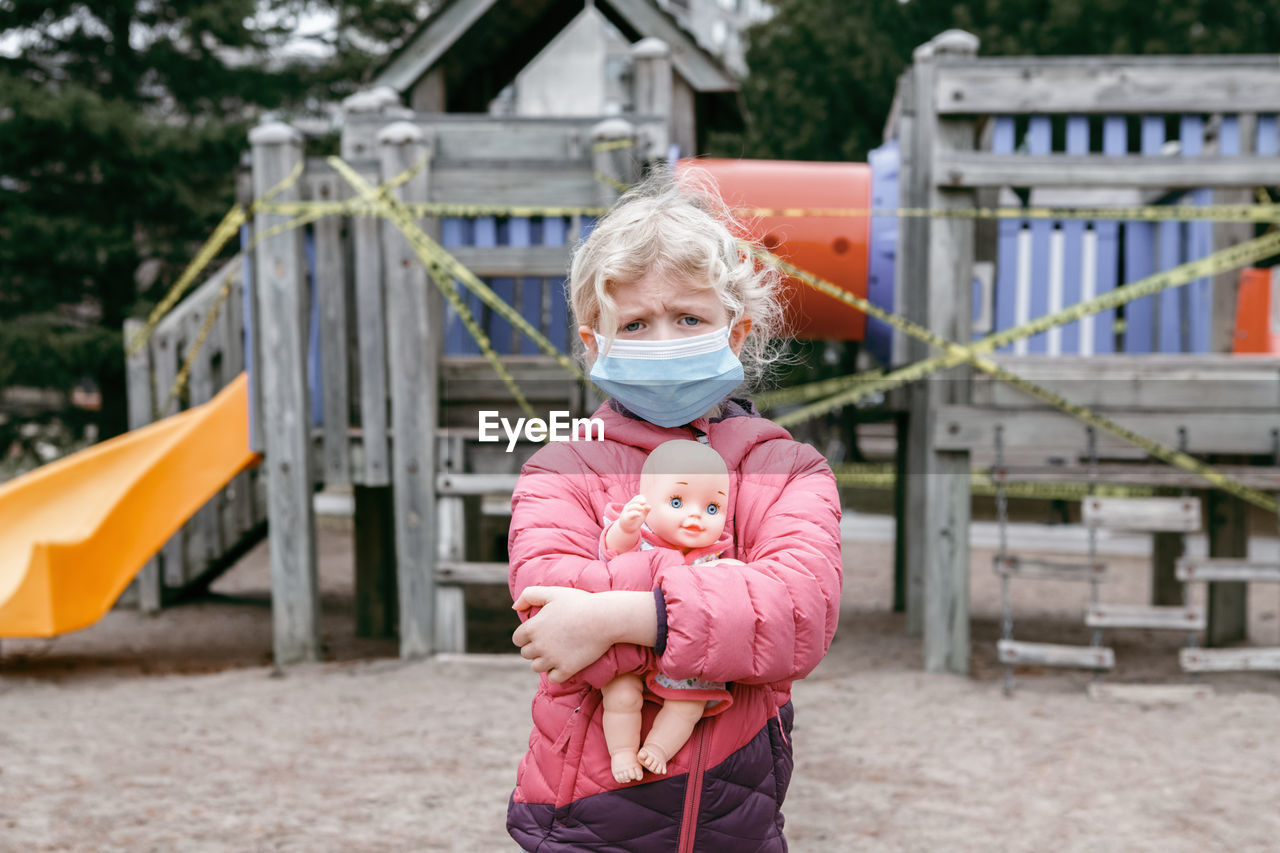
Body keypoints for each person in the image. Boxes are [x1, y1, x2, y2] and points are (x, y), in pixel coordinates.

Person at [507, 168, 843, 852]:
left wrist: (620, 615)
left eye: (689, 318)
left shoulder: (789, 468)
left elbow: (799, 615)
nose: (663, 341)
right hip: (580, 822)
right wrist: (725, 602)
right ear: (594, 344)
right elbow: (550, 617)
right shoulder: (559, 468)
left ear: (736, 332)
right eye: (635, 323)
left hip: (737, 820)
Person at [599, 439, 741, 783]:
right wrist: (625, 528)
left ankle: (658, 748)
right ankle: (621, 751)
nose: (695, 515)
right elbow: (610, 555)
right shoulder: (640, 537)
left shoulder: (715, 558)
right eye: (677, 502)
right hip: (631, 644)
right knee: (620, 695)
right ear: (646, 503)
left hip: (685, 656)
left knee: (688, 705)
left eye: (712, 509)